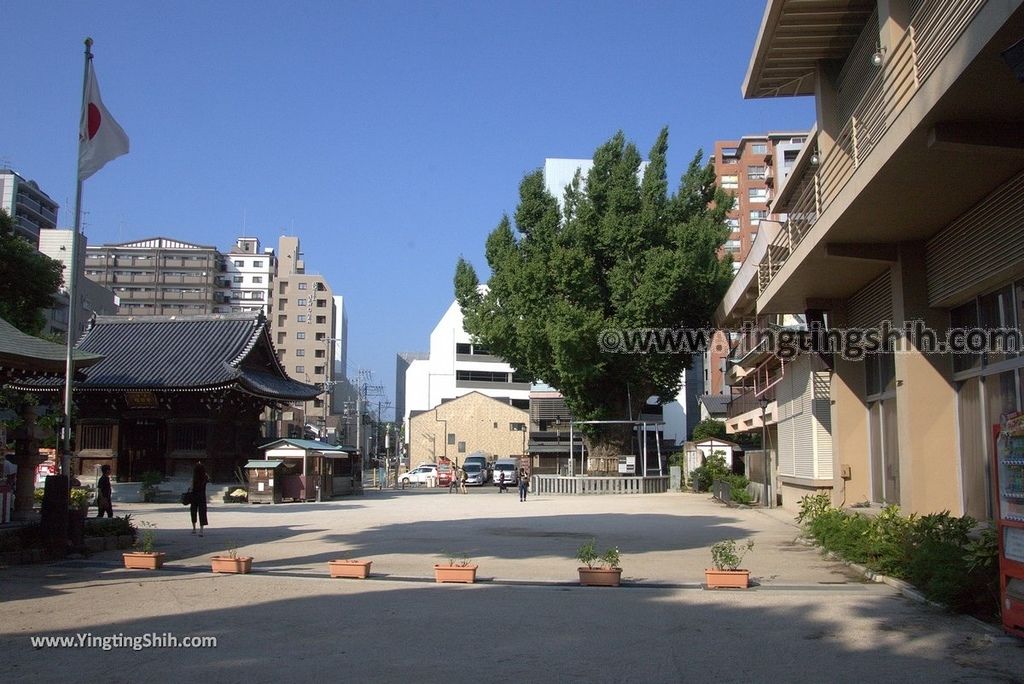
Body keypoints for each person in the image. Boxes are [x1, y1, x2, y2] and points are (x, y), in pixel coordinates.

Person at [190, 462, 209, 536]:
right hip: (202, 496)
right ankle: (201, 530)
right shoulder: (205, 477)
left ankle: (194, 528)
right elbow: (208, 479)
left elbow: (191, 487)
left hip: (194, 495)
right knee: (202, 512)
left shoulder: (194, 478)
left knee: (193, 511)